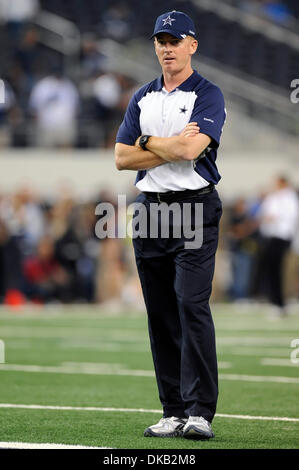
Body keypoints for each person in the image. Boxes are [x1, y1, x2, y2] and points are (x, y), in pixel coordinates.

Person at [115, 10, 226, 440]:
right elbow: (122, 158)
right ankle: (173, 409)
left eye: (174, 41)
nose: (166, 48)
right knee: (160, 313)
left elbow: (192, 148)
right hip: (150, 210)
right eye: (160, 41)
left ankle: (200, 411)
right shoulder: (143, 95)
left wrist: (146, 143)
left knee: (191, 305)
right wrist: (166, 145)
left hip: (195, 209)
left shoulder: (208, 93)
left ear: (191, 45)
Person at [256, 175, 299, 315]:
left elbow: (291, 217)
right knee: (271, 269)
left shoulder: (289, 197)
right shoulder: (274, 197)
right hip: (270, 237)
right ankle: (274, 300)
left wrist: (275, 218)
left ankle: (280, 302)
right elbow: (263, 214)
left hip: (281, 237)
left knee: (278, 270)